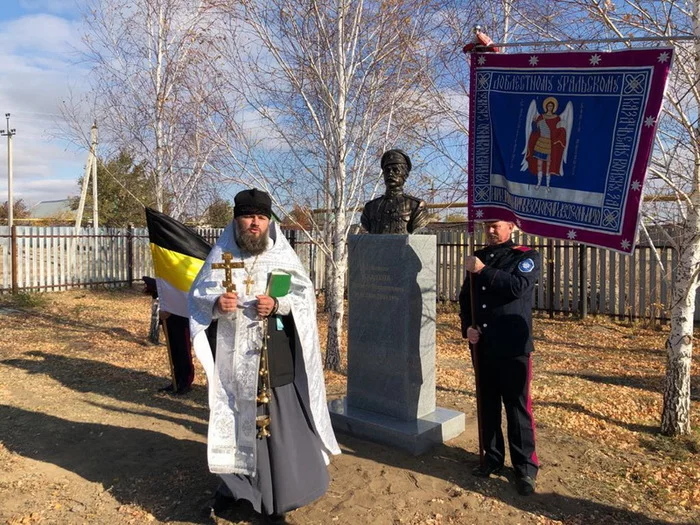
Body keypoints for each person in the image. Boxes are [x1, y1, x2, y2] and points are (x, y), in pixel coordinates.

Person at [189, 189, 340, 524]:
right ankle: (234, 489)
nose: (254, 223)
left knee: (276, 431)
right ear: (236, 219)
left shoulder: (283, 257)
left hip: (274, 359)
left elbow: (303, 298)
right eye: (247, 216)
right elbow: (196, 296)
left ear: (269, 221)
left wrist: (277, 304)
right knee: (235, 426)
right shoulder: (221, 257)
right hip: (233, 362)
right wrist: (216, 305)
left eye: (260, 217)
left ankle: (279, 500)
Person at [458, 220, 540, 496]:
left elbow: (518, 287)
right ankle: (492, 457)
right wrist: (468, 326)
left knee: (517, 408)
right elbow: (465, 297)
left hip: (513, 345)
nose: (490, 231)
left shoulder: (526, 256)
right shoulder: (478, 256)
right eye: (487, 227)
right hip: (483, 344)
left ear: (511, 227)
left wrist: (484, 271)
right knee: (487, 404)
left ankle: (525, 468)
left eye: (496, 226)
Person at [360, 149, 431, 234]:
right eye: (387, 170)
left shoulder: (416, 206)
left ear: (405, 174)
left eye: (395, 170)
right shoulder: (370, 207)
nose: (390, 174)